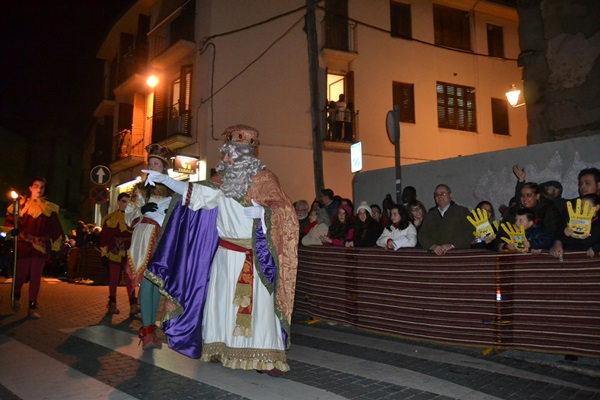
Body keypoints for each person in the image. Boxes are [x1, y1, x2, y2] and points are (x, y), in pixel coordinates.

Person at [144, 124, 299, 377]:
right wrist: (167, 181)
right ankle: (219, 348)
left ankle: (266, 356)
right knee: (220, 304)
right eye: (225, 154)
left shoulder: (265, 179)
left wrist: (265, 212)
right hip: (225, 255)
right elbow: (198, 195)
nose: (225, 159)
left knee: (258, 307)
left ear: (245, 155)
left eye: (230, 154)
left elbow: (286, 211)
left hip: (253, 255)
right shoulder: (221, 182)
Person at [125, 143, 174, 350]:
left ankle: (151, 329)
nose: (154, 167)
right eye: (151, 163)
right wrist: (141, 210)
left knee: (156, 284)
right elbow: (128, 217)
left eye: (157, 164)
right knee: (146, 283)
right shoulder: (140, 190)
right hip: (145, 237)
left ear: (164, 167)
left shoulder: (172, 188)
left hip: (163, 238)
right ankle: (146, 330)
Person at [5, 176, 65, 319]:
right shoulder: (19, 205)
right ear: (30, 188)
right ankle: (17, 294)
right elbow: (9, 225)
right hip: (23, 245)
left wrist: (55, 248)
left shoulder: (49, 208)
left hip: (40, 247)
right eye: (36, 186)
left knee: (35, 277)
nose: (39, 189)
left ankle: (32, 306)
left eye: (42, 187)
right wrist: (11, 233)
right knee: (20, 276)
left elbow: (56, 230)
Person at [99, 192, 138, 315]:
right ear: (119, 202)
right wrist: (104, 254)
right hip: (114, 251)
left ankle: (133, 305)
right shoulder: (110, 218)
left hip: (129, 252)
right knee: (113, 278)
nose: (126, 205)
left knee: (130, 279)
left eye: (128, 202)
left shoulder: (135, 218)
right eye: (123, 201)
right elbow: (104, 238)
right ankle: (112, 304)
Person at [418, 184, 473, 255]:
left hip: (457, 254)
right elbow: (422, 235)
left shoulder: (462, 211)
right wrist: (432, 246)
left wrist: (452, 245)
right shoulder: (430, 214)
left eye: (443, 193)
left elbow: (470, 231)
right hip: (435, 256)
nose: (439, 196)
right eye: (437, 194)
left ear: (450, 195)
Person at [550, 193, 600, 259]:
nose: (582, 208)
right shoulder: (575, 220)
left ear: (597, 207)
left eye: (586, 205)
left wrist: (595, 248)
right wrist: (565, 234)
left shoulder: (598, 223)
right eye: (581, 205)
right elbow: (569, 241)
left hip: (589, 257)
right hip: (573, 256)